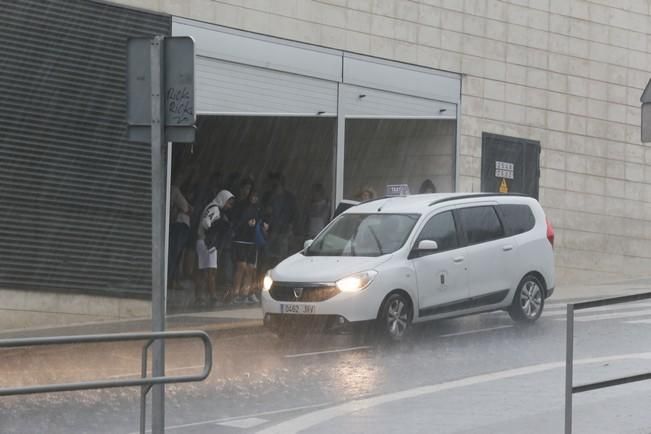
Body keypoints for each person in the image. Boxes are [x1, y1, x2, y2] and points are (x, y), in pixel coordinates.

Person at [195, 190, 235, 306]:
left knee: (203, 271)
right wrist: (213, 231)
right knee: (211, 272)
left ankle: (199, 297)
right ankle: (212, 297)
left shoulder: (211, 207)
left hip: (202, 242)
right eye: (228, 203)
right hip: (208, 244)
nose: (229, 206)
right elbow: (206, 223)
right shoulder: (215, 209)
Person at [229, 189, 264, 304]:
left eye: (256, 196)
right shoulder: (241, 207)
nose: (254, 198)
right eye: (252, 195)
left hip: (252, 242)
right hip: (241, 241)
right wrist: (245, 224)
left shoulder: (257, 209)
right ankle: (235, 294)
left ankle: (245, 294)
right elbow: (237, 222)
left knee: (250, 269)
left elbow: (259, 222)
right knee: (241, 267)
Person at [265, 173, 297, 267]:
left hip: (284, 230)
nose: (274, 185)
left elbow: (294, 214)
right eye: (273, 184)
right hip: (270, 230)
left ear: (282, 183)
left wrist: (291, 226)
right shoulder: (268, 196)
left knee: (282, 256)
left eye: (277, 183)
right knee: (267, 254)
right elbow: (262, 211)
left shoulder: (289, 198)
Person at [167, 171, 192, 290]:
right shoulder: (173, 189)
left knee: (176, 254)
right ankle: (171, 280)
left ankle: (173, 280)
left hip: (180, 225)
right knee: (175, 254)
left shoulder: (176, 190)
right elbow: (182, 208)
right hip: (179, 225)